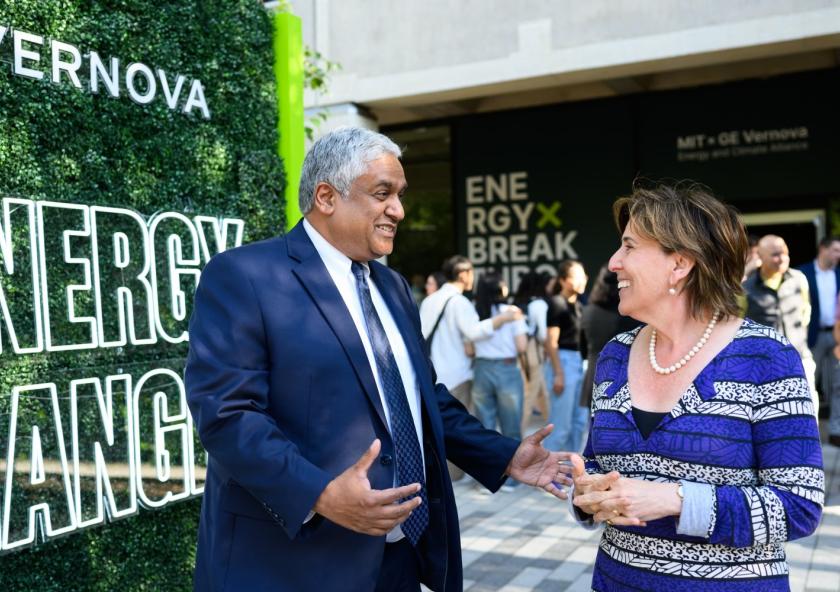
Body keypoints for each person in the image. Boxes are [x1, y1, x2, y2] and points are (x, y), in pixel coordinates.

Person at [185, 127, 571, 592]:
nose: (399, 210)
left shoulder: (392, 288)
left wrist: (505, 456)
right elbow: (227, 414)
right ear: (326, 196)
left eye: (400, 195)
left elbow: (423, 401)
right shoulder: (245, 275)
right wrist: (320, 494)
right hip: (291, 563)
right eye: (382, 193)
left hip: (399, 558)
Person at [568, 183, 824, 592]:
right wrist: (587, 494)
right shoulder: (616, 355)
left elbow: (800, 506)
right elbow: (598, 465)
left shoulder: (765, 356)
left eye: (630, 247)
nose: (614, 262)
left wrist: (675, 500)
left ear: (680, 264)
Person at [419, 255, 522, 481]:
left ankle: (439, 475)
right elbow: (473, 332)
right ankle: (452, 477)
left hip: (430, 372)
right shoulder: (459, 302)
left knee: (435, 427)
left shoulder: (429, 300)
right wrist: (504, 318)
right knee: (456, 429)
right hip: (455, 374)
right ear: (464, 274)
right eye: (471, 273)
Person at [744, 234, 818, 412]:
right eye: (775, 254)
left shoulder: (799, 278)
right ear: (760, 257)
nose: (782, 258)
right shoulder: (746, 287)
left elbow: (805, 313)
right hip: (763, 362)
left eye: (785, 253)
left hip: (799, 355)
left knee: (808, 405)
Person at [470, 270, 529, 445]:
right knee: (511, 428)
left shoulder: (474, 312)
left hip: (481, 368)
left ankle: (487, 470)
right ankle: (511, 471)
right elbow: (522, 346)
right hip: (507, 369)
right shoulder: (512, 312)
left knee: (484, 427)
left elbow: (469, 347)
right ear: (501, 288)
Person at [543, 259, 589, 452]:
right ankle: (548, 475)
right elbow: (551, 342)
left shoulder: (579, 306)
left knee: (579, 422)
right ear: (563, 280)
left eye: (583, 275)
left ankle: (571, 473)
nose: (582, 280)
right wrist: (559, 373)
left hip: (579, 362)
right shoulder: (556, 303)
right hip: (562, 361)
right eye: (576, 276)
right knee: (560, 425)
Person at [578, 264, 638, 411]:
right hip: (626, 376)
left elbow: (583, 349)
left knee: (595, 428)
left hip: (595, 374)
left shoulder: (588, 312)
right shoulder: (631, 312)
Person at [798, 236, 840, 408]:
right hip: (813, 335)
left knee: (837, 384)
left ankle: (835, 431)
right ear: (822, 248)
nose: (838, 255)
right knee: (808, 381)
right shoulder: (802, 273)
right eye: (836, 250)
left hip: (836, 334)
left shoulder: (839, 274)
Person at [513, 271, 552, 429]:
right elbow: (542, 334)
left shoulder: (518, 303)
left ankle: (551, 422)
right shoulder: (539, 304)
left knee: (540, 390)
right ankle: (518, 430)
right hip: (533, 350)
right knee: (529, 393)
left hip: (519, 350)